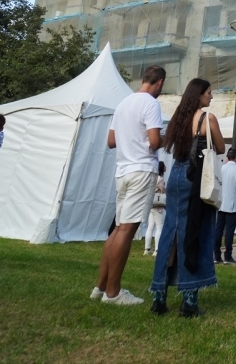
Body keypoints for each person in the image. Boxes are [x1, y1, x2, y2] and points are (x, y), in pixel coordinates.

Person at [91, 66, 167, 305]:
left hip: (122, 171)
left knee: (118, 229)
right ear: (160, 83)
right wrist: (167, 138)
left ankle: (100, 287)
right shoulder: (151, 104)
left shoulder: (123, 103)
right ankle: (113, 293)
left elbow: (111, 141)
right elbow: (154, 141)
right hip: (142, 170)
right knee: (127, 230)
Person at [150, 78, 224, 318]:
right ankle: (190, 299)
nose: (211, 97)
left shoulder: (177, 119)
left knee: (170, 234)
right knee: (195, 232)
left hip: (176, 177)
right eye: (209, 93)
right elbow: (221, 147)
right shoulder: (206, 118)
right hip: (197, 179)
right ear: (199, 95)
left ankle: (159, 294)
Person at [215, 149, 236, 264]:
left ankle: (216, 255)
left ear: (227, 157)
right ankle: (228, 255)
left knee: (218, 230)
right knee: (229, 231)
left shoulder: (221, 168)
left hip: (220, 203)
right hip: (233, 205)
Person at [144, 161, 167, 256]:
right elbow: (162, 190)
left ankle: (147, 248)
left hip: (151, 205)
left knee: (150, 227)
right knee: (159, 227)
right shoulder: (160, 179)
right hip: (158, 206)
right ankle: (157, 250)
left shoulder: (151, 178)